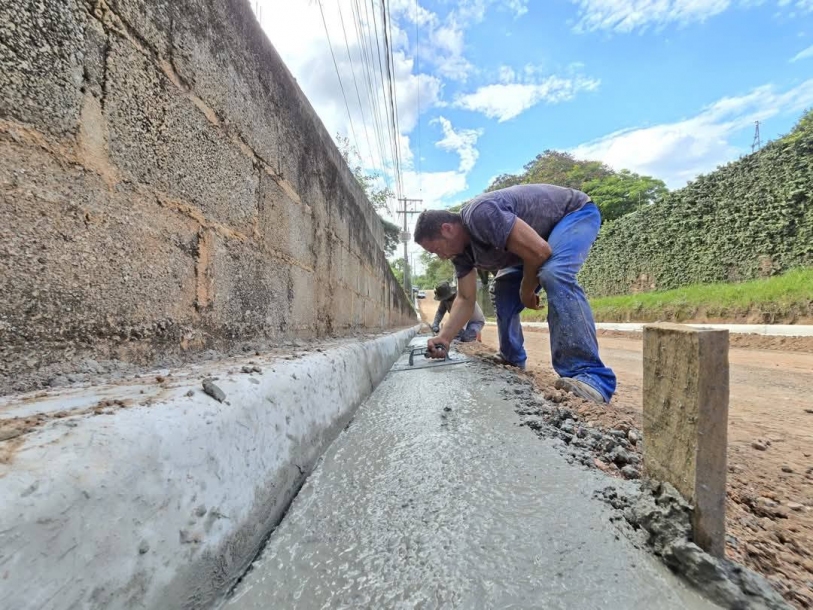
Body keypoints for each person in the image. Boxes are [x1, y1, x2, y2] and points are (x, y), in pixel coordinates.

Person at [413, 184, 616, 404]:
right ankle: (512, 357)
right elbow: (466, 299)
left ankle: (591, 376)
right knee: (502, 289)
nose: (440, 256)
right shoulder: (461, 254)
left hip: (571, 215)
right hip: (532, 245)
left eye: (436, 250)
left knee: (554, 273)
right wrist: (444, 338)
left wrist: (527, 288)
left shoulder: (480, 214)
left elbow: (539, 251)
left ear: (447, 229)